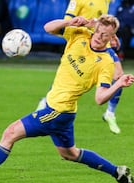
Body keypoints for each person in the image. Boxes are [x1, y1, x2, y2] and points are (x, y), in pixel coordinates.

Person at [0, 15, 134, 183]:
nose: (99, 37)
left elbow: (100, 98)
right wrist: (69, 21)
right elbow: (48, 28)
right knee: (70, 153)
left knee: (10, 133)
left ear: (112, 38)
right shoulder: (79, 34)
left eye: (105, 35)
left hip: (58, 111)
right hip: (65, 112)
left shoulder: (105, 62)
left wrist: (118, 83)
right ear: (95, 28)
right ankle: (117, 172)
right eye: (98, 32)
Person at [36, 0, 125, 134]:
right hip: (82, 37)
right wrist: (85, 24)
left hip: (100, 42)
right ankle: (47, 100)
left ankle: (110, 113)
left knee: (118, 75)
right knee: (72, 73)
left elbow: (104, 23)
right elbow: (68, 20)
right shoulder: (78, 1)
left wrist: (111, 35)